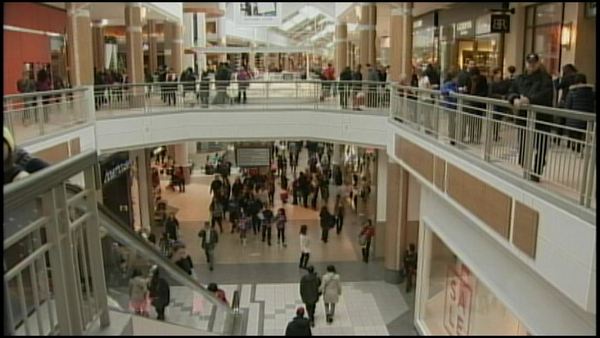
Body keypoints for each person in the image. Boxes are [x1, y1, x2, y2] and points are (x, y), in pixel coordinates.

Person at [507, 53, 554, 182]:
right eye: (529, 62)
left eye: (534, 62)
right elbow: (510, 90)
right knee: (523, 144)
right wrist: (514, 98)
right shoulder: (520, 78)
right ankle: (525, 165)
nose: (531, 65)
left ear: (538, 63)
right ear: (526, 63)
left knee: (541, 145)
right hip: (524, 118)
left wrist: (529, 100)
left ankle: (537, 171)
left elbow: (546, 95)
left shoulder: (546, 79)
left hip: (541, 119)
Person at [564, 73, 595, 153]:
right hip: (586, 120)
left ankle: (573, 147)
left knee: (573, 134)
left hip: (573, 119)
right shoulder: (591, 93)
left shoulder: (572, 92)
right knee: (583, 135)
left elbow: (567, 106)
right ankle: (580, 148)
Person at [465, 66, 488, 144]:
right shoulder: (469, 79)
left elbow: (485, 91)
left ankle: (478, 137)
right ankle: (471, 136)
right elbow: (468, 89)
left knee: (478, 121)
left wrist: (477, 97)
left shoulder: (482, 79)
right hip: (471, 103)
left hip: (479, 104)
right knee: (471, 120)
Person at [489, 67, 512, 142]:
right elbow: (490, 94)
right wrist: (500, 96)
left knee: (499, 119)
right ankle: (495, 134)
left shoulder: (503, 82)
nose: (500, 74)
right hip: (495, 104)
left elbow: (506, 90)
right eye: (498, 73)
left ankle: (496, 134)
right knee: (495, 119)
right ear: (495, 74)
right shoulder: (492, 84)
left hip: (501, 104)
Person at [441, 71, 460, 145]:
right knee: (452, 122)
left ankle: (453, 137)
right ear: (453, 78)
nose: (457, 79)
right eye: (456, 78)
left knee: (453, 122)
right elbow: (442, 90)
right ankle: (452, 137)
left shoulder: (455, 85)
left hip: (454, 105)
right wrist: (449, 91)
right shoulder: (448, 84)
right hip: (450, 105)